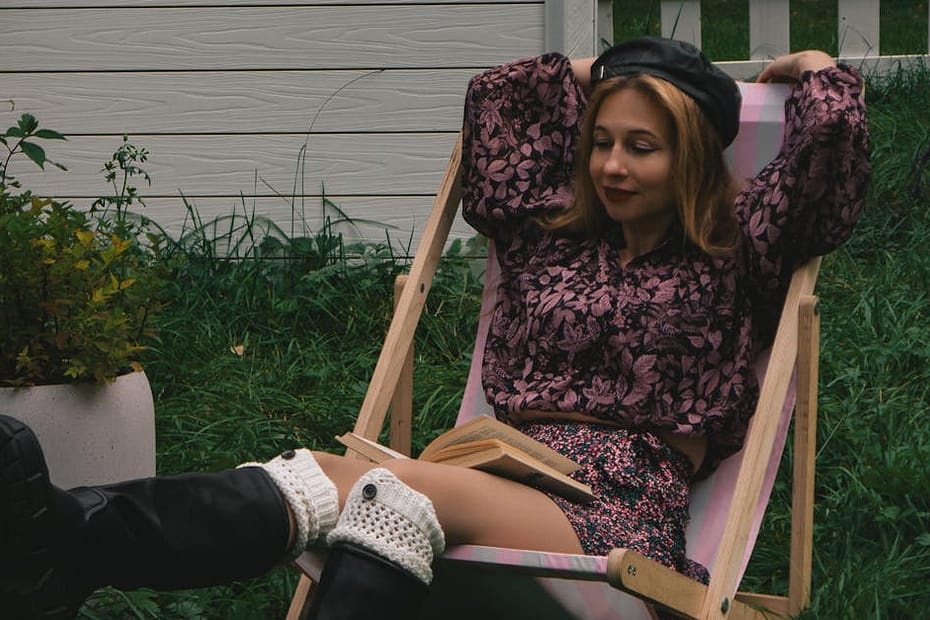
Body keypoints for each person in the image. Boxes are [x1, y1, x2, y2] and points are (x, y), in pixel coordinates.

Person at [0, 36, 869, 620]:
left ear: (691, 152)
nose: (609, 164)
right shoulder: (546, 237)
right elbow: (500, 101)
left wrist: (814, 66)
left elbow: (829, 159)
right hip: (500, 462)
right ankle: (62, 549)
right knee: (347, 481)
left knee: (388, 490)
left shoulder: (735, 253)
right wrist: (600, 68)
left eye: (641, 145)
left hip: (620, 511)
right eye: (600, 140)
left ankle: (65, 543)